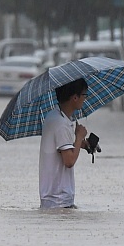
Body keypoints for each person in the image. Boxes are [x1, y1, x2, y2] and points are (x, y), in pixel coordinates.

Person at [39, 78, 89, 209]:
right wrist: (79, 137)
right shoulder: (62, 124)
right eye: (84, 95)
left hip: (51, 198)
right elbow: (69, 161)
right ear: (75, 98)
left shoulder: (53, 116)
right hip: (59, 201)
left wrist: (80, 144)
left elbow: (59, 148)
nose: (86, 99)